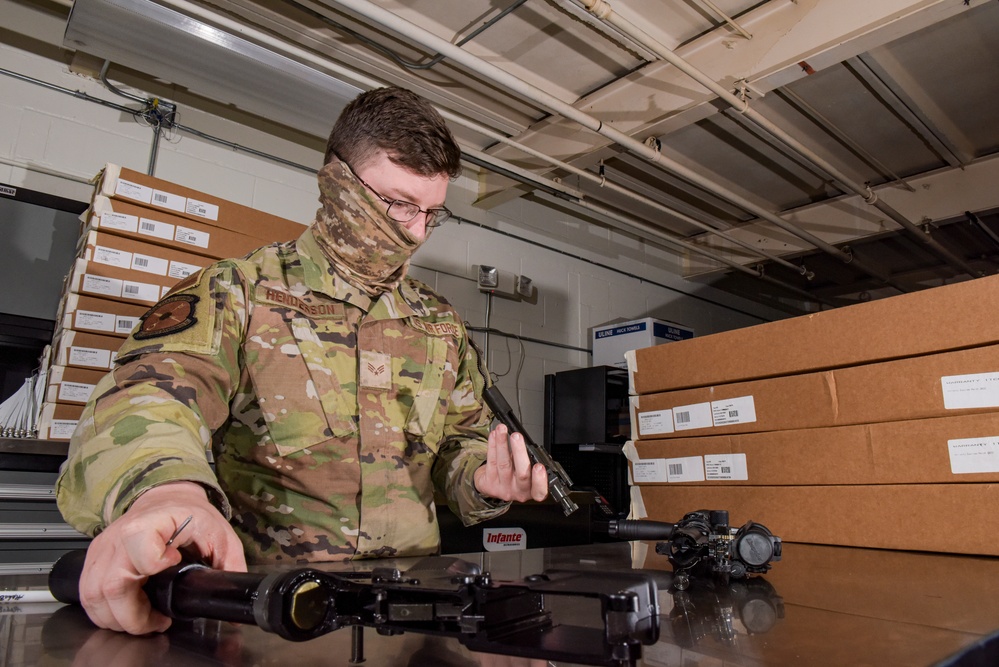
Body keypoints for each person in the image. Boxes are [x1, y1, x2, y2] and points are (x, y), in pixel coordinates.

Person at [55, 86, 549, 636]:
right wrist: (165, 490)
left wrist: (482, 477)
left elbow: (459, 443)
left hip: (411, 618)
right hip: (273, 612)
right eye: (400, 204)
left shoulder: (440, 323)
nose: (415, 231)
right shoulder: (241, 292)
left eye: (432, 212)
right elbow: (151, 394)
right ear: (338, 183)